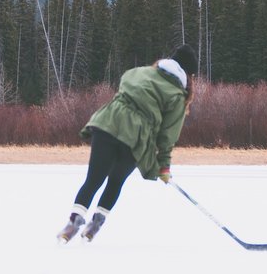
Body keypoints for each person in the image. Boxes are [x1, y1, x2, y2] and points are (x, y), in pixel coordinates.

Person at [56, 44, 196, 243]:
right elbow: (167, 136)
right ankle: (95, 225)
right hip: (136, 138)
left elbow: (124, 85)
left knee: (93, 180)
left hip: (108, 124)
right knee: (115, 181)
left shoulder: (139, 72)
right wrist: (163, 166)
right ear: (188, 76)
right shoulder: (177, 96)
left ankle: (73, 221)